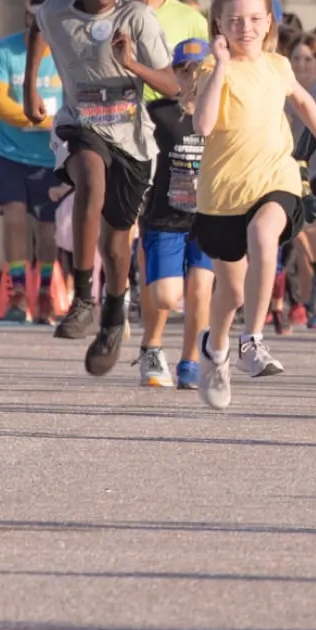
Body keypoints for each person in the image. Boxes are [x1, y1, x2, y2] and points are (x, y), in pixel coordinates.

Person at [193, 0, 316, 408]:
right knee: (232, 293)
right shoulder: (210, 69)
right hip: (223, 194)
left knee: (265, 236)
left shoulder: (278, 65)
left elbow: (304, 103)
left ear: (269, 23)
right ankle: (217, 347)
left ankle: (253, 340)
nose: (246, 27)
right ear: (220, 25)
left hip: (275, 180)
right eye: (235, 20)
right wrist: (222, 65)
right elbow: (203, 125)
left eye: (254, 19)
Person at [25, 0, 178, 373]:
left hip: (131, 139)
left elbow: (173, 86)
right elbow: (38, 26)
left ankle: (113, 314)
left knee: (116, 245)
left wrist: (133, 66)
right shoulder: (57, 11)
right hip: (80, 127)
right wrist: (29, 85)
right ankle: (82, 299)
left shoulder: (138, 17)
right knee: (89, 176)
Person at [136, 38, 214, 388]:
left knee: (200, 289)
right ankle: (152, 346)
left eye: (199, 70)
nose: (192, 77)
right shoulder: (159, 114)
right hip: (166, 216)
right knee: (167, 295)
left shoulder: (223, 116)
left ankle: (190, 360)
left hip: (209, 217)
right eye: (184, 70)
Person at [0, 0, 62, 323]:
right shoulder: (5, 50)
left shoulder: (64, 52)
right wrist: (42, 119)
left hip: (53, 157)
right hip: (10, 153)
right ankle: (17, 292)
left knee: (48, 229)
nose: (37, 27)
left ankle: (44, 293)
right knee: (14, 219)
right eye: (31, 19)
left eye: (44, 21)